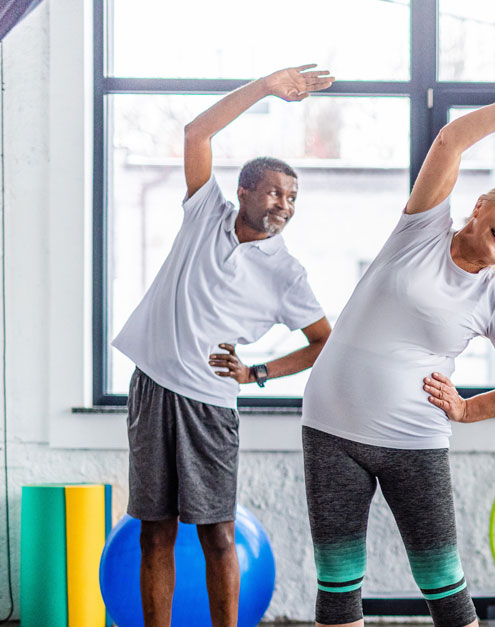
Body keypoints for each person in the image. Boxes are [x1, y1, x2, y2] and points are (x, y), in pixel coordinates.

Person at [299, 83, 495, 627]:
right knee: (338, 587)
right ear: (481, 206)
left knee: (444, 587)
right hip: (330, 429)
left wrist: (467, 409)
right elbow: (451, 139)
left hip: (413, 441)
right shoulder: (422, 229)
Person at [111, 65, 335, 627]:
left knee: (216, 532)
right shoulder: (205, 213)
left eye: (293, 197)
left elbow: (323, 345)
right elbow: (196, 134)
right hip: (152, 388)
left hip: (210, 406)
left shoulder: (287, 273)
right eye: (275, 191)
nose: (284, 204)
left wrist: (256, 374)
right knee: (154, 531)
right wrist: (263, 87)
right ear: (244, 191)